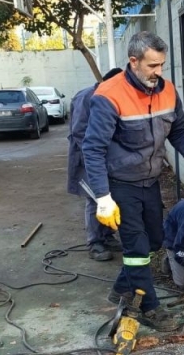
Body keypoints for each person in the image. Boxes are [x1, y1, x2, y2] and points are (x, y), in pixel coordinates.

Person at [82, 31, 184, 332]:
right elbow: (92, 149)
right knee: (135, 248)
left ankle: (122, 288)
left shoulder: (168, 91)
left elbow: (179, 132)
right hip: (119, 183)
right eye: (152, 66)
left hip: (149, 180)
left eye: (162, 65)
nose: (158, 73)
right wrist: (103, 199)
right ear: (134, 61)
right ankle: (149, 308)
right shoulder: (109, 95)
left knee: (155, 241)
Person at [67, 67, 123, 261]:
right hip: (87, 158)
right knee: (95, 199)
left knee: (108, 196)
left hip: (104, 158)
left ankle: (106, 236)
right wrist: (96, 156)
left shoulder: (108, 97)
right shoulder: (86, 97)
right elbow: (79, 132)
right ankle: (95, 243)